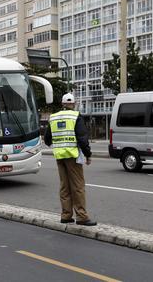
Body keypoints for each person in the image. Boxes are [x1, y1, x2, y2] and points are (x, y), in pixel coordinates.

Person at [44, 93, 97, 226]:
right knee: (78, 186)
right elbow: (82, 138)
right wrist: (88, 154)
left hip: (59, 156)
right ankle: (81, 216)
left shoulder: (53, 117)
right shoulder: (75, 116)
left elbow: (47, 139)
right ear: (73, 104)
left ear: (62, 104)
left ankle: (66, 215)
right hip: (72, 156)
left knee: (64, 186)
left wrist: (57, 146)